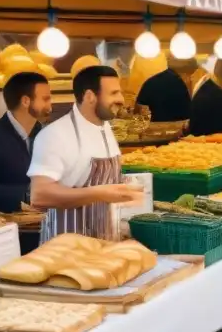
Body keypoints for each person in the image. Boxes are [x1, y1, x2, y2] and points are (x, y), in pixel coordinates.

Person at [29, 65, 142, 242]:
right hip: (66, 248)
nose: (121, 99)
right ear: (90, 96)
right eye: (113, 93)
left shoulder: (105, 127)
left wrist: (124, 186)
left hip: (105, 241)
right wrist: (100, 193)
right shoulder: (54, 135)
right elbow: (40, 196)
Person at [0, 72, 52, 213]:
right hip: (9, 231)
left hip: (52, 226)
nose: (50, 105)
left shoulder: (50, 137)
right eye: (45, 99)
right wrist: (24, 194)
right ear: (26, 101)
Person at [135, 57, 195, 123]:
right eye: (190, 75)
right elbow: (190, 116)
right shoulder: (180, 84)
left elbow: (138, 109)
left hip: (152, 128)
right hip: (177, 129)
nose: (190, 79)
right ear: (186, 72)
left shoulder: (151, 81)